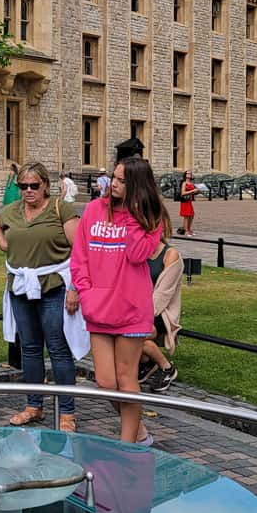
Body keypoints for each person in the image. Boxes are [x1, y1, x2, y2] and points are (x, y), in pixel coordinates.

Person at [70, 157, 164, 445]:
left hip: (131, 309)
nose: (114, 184)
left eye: (122, 181)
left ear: (137, 185)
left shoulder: (151, 217)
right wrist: (86, 292)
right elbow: (79, 256)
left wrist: (133, 215)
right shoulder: (93, 210)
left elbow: (137, 255)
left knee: (126, 379)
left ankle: (127, 446)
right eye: (114, 177)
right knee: (105, 382)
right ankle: (138, 431)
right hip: (98, 308)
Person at [0, 163, 80, 431]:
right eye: (23, 186)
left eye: (34, 185)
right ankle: (34, 405)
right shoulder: (13, 210)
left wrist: (75, 288)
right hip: (21, 287)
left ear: (45, 186)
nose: (28, 190)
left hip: (53, 286)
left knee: (57, 347)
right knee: (29, 347)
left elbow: (80, 249)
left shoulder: (60, 209)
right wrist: (3, 243)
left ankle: (67, 412)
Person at [138, 236, 182, 393]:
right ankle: (147, 361)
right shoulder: (139, 252)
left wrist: (142, 315)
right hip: (138, 310)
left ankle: (165, 367)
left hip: (160, 312)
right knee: (127, 333)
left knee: (135, 333)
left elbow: (163, 294)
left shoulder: (170, 254)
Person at [177, 170, 199, 236]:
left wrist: (197, 191)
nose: (189, 174)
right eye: (188, 173)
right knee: (186, 216)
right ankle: (186, 231)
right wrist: (193, 190)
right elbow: (183, 193)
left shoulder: (191, 183)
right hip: (185, 201)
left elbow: (193, 192)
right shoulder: (184, 183)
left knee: (191, 215)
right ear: (185, 175)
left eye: (190, 173)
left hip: (189, 201)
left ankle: (189, 229)